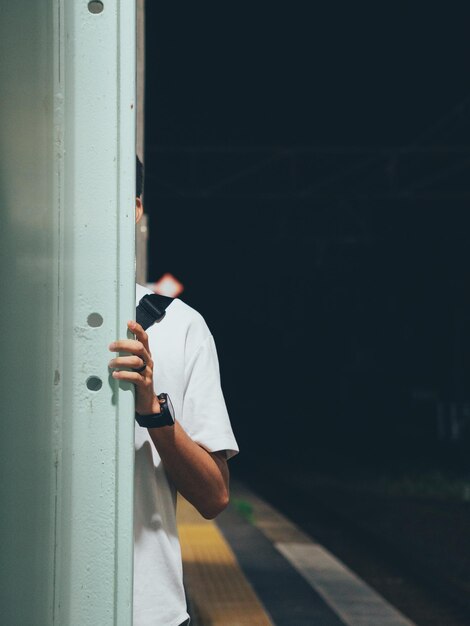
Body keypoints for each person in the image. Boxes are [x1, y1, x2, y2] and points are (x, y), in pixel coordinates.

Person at [108, 157, 239, 626]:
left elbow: (214, 497)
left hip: (150, 613)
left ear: (134, 208)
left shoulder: (180, 325)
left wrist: (154, 411)